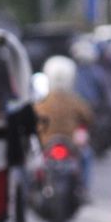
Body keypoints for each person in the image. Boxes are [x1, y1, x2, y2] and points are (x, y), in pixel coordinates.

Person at [35, 55, 95, 196]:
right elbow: (89, 117)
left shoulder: (42, 102)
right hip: (69, 142)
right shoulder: (75, 101)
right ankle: (84, 189)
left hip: (47, 143)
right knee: (86, 156)